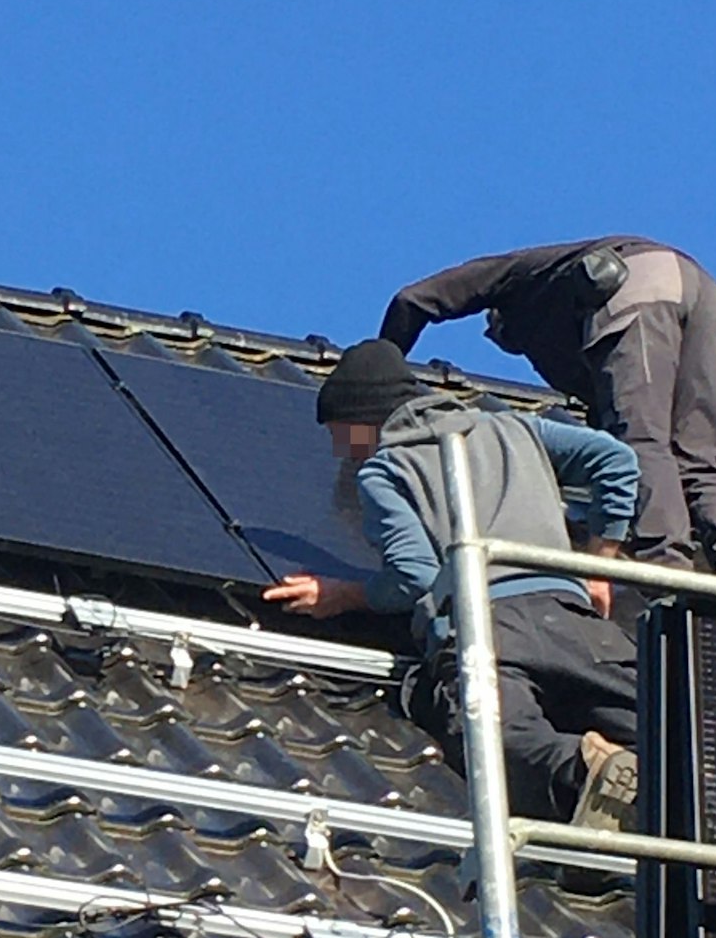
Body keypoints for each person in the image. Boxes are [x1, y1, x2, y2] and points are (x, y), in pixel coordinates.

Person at [263, 339, 640, 828]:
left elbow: (414, 575)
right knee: (666, 727)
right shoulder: (514, 428)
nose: (340, 451)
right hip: (576, 623)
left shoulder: (385, 469)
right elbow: (616, 461)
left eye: (341, 434)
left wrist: (343, 595)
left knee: (495, 736)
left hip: (488, 629)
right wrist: (598, 563)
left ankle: (585, 767)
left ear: (364, 419)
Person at [379, 236, 716, 581]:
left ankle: (665, 563)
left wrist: (381, 364)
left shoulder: (516, 280)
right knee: (707, 463)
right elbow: (606, 415)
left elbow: (414, 299)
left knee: (641, 437)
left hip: (639, 286)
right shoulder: (565, 326)